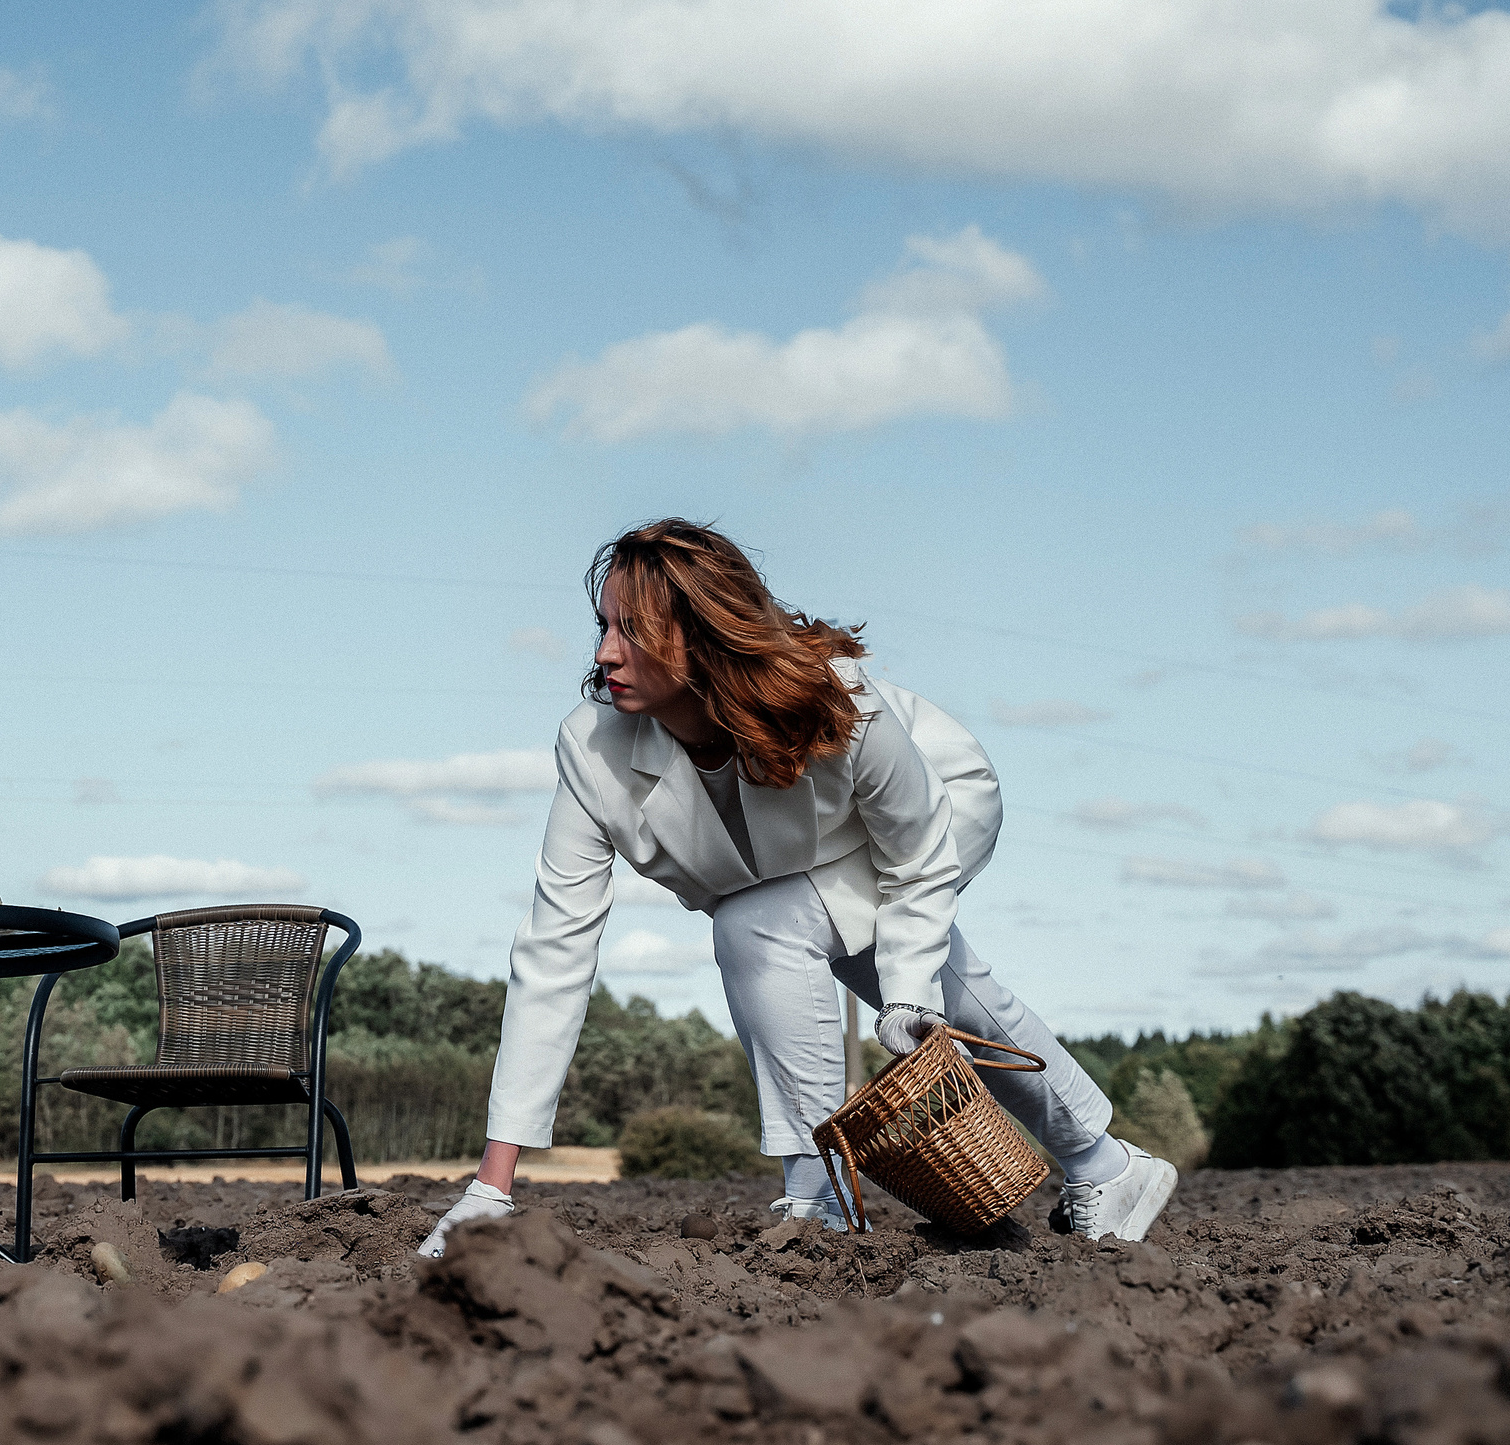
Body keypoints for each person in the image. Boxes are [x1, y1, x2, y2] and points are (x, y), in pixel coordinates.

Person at [419, 519, 1173, 1257]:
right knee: (790, 933)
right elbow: (554, 952)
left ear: (704, 634)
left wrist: (910, 995)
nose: (604, 652)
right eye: (602, 625)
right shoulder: (592, 751)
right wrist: (493, 1186)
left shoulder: (839, 700)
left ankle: (821, 1198)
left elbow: (915, 854)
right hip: (795, 878)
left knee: (795, 937)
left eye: (632, 630)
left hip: (934, 811)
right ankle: (1106, 1166)